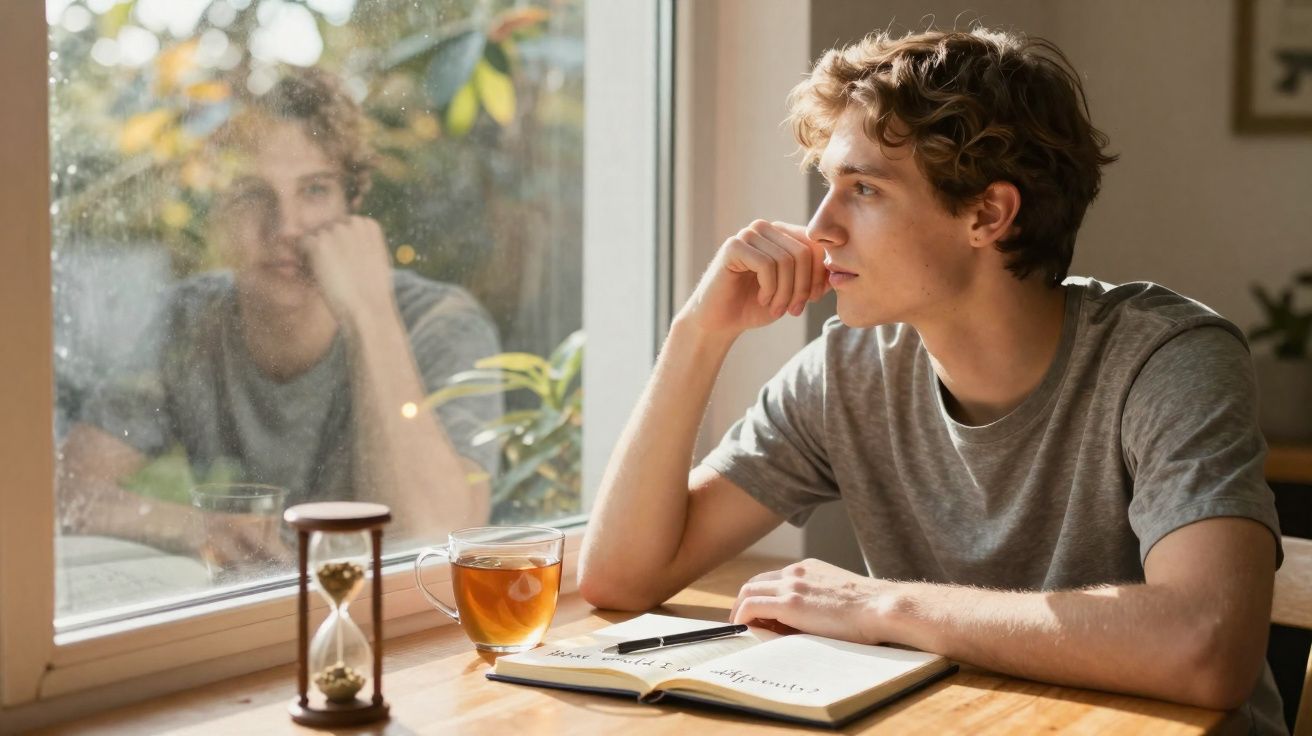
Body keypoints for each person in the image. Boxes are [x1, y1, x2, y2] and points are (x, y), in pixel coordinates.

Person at [579, 27, 1286, 734]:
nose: (819, 228)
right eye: (828, 187)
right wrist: (698, 333)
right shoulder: (847, 375)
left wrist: (882, 606)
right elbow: (620, 577)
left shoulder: (1167, 359)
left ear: (987, 214)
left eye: (862, 189)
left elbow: (1206, 645)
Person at [59, 68, 501, 563]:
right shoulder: (191, 317)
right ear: (221, 209)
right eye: (252, 194)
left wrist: (370, 315)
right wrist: (202, 528)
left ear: (353, 203)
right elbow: (64, 491)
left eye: (314, 190)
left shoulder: (441, 324)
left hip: (392, 624)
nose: (285, 226)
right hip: (248, 620)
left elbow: (439, 539)